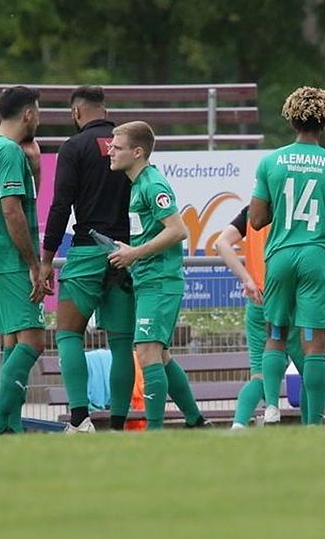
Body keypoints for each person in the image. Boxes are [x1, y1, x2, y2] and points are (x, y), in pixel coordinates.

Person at [248, 86, 325, 426]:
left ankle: (271, 407)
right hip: (315, 256)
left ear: (291, 121)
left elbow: (256, 220)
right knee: (314, 344)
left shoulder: (271, 162)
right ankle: (313, 422)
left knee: (276, 335)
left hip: (280, 255)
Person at [40, 86, 136, 433]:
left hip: (85, 251)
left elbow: (60, 206)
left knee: (68, 335)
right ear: (104, 110)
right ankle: (119, 424)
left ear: (76, 112)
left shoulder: (74, 147)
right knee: (122, 344)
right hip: (124, 253)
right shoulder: (128, 145)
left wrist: (47, 259)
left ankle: (80, 419)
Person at [107, 121, 206, 430]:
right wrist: (130, 250)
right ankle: (195, 420)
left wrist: (134, 253)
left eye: (117, 147)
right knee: (160, 355)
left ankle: (154, 431)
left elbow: (178, 230)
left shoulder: (153, 184)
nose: (110, 151)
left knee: (147, 352)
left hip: (160, 281)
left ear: (138, 152)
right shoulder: (138, 184)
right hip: (149, 279)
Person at [0, 86, 48, 434]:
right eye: (38, 113)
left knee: (13, 341)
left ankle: (10, 426)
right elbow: (11, 209)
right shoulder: (8, 151)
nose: (39, 120)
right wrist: (34, 263)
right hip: (11, 260)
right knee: (33, 341)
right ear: (28, 114)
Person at [215, 207, 306, 428]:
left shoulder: (251, 212)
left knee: (258, 375)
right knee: (308, 368)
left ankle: (239, 425)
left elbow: (221, 243)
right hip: (287, 298)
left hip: (258, 298)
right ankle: (312, 424)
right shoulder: (290, 208)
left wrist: (247, 279)